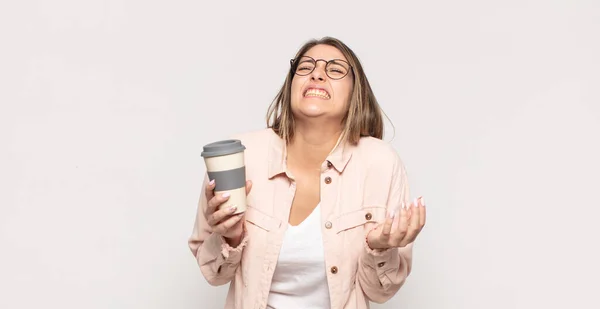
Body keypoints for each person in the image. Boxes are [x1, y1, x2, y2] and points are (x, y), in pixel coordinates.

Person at [188, 36, 427, 309]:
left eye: (335, 69)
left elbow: (380, 292)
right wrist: (229, 236)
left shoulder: (380, 162)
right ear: (292, 85)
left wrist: (380, 247)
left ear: (355, 93)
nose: (317, 73)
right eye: (305, 67)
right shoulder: (240, 155)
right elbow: (213, 274)